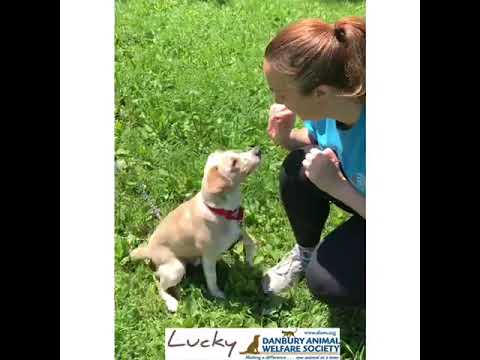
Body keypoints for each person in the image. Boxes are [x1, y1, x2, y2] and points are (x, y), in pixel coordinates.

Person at [261, 16, 366, 306]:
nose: (277, 102)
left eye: (281, 93)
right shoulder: (332, 107)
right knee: (297, 168)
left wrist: (337, 186)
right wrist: (284, 138)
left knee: (327, 283)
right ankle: (305, 252)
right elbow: (316, 140)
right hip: (362, 192)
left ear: (321, 92)